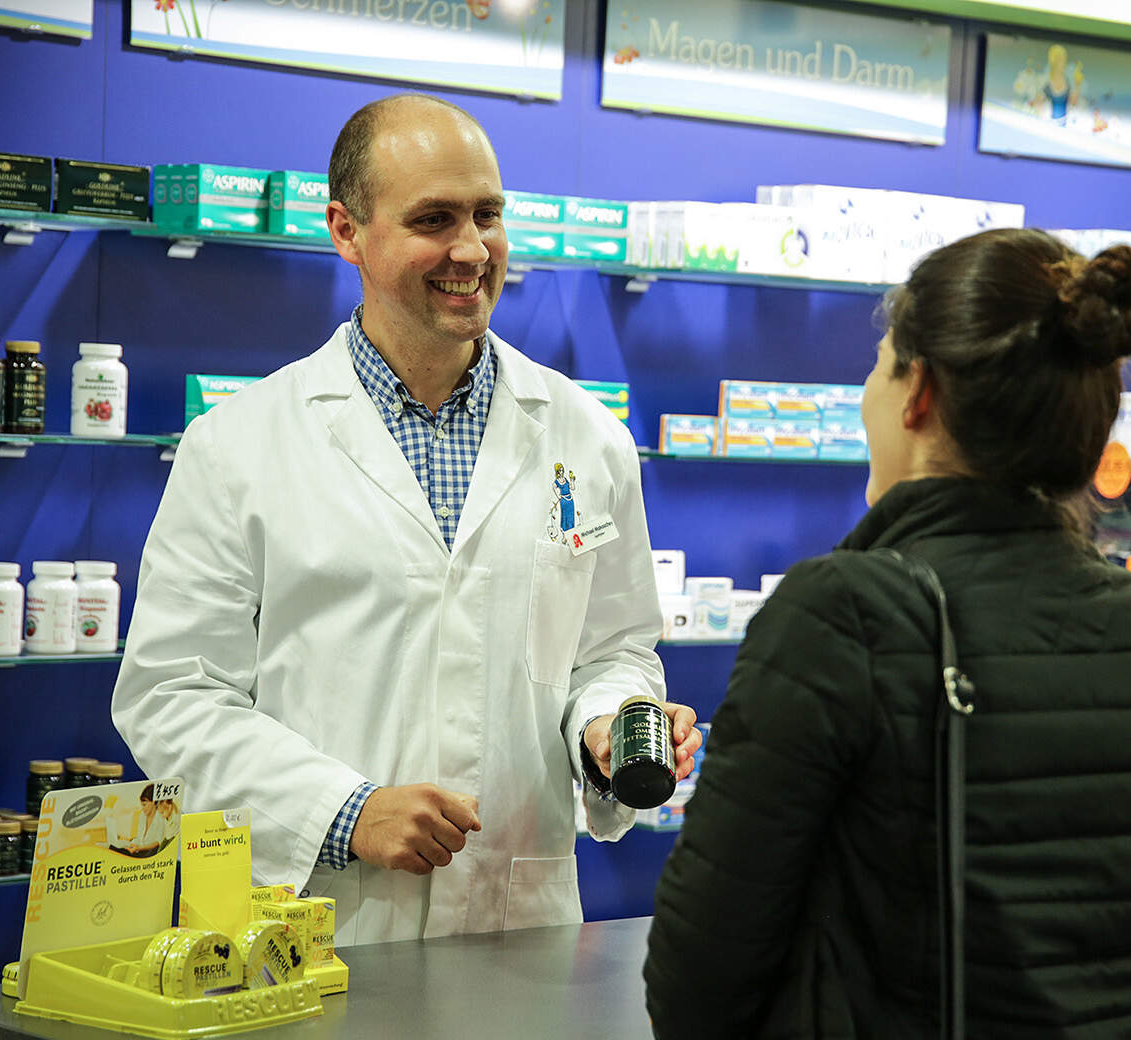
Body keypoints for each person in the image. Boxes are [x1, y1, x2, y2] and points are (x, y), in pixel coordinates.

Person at [113, 93, 700, 945]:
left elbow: (612, 652)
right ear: (346, 231)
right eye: (434, 220)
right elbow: (172, 695)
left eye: (487, 215)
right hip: (318, 925)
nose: (472, 249)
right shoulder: (237, 445)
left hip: (517, 924)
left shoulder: (587, 436)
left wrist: (606, 727)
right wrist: (344, 811)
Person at [644, 229, 1131, 1038]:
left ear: (920, 395)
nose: (867, 394)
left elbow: (698, 979)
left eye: (879, 366)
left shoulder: (841, 614)